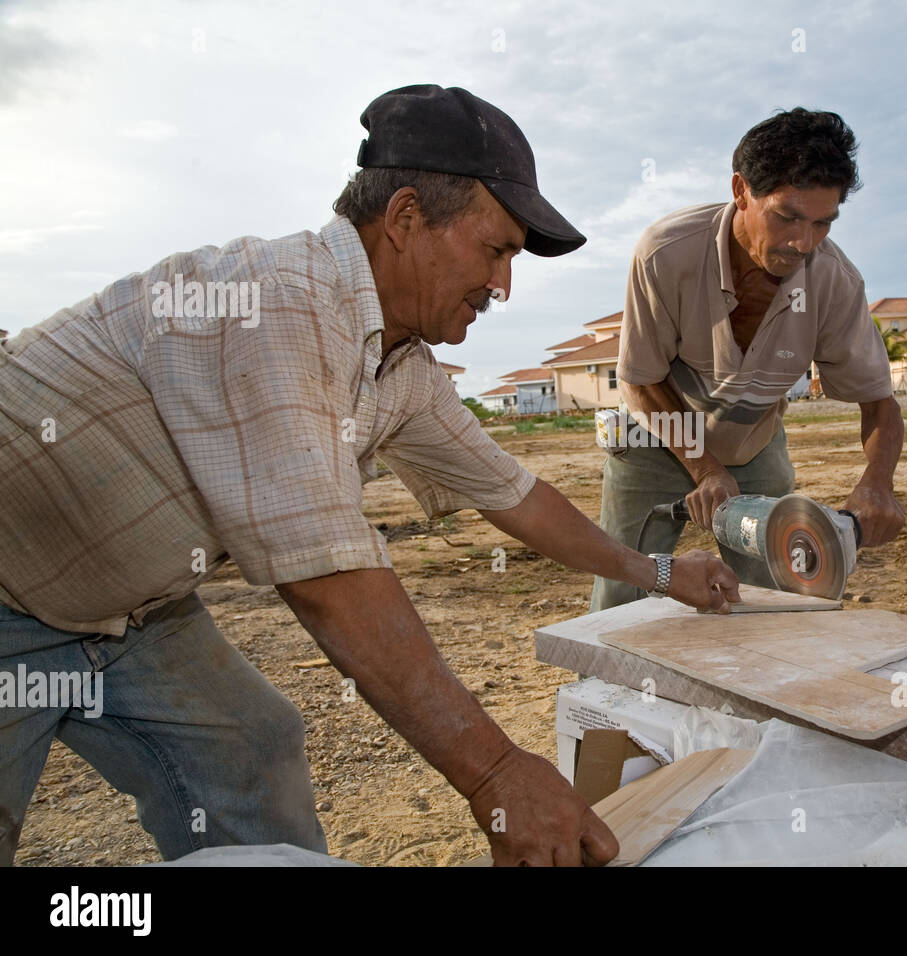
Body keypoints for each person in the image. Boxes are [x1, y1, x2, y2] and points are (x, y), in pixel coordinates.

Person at [0, 84, 740, 868]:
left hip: (132, 616)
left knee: (254, 748)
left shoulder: (402, 364)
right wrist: (492, 770)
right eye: (496, 252)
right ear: (407, 218)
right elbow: (329, 575)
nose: (504, 286)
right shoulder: (274, 306)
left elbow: (515, 495)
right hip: (9, 600)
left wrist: (658, 571)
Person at [591, 108, 905, 611]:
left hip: (754, 445)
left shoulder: (834, 282)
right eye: (787, 216)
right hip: (656, 437)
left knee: (766, 597)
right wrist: (705, 468)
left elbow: (879, 402)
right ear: (741, 191)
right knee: (625, 587)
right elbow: (642, 382)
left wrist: (878, 483)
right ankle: (602, 687)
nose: (803, 243)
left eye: (823, 222)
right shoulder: (666, 254)